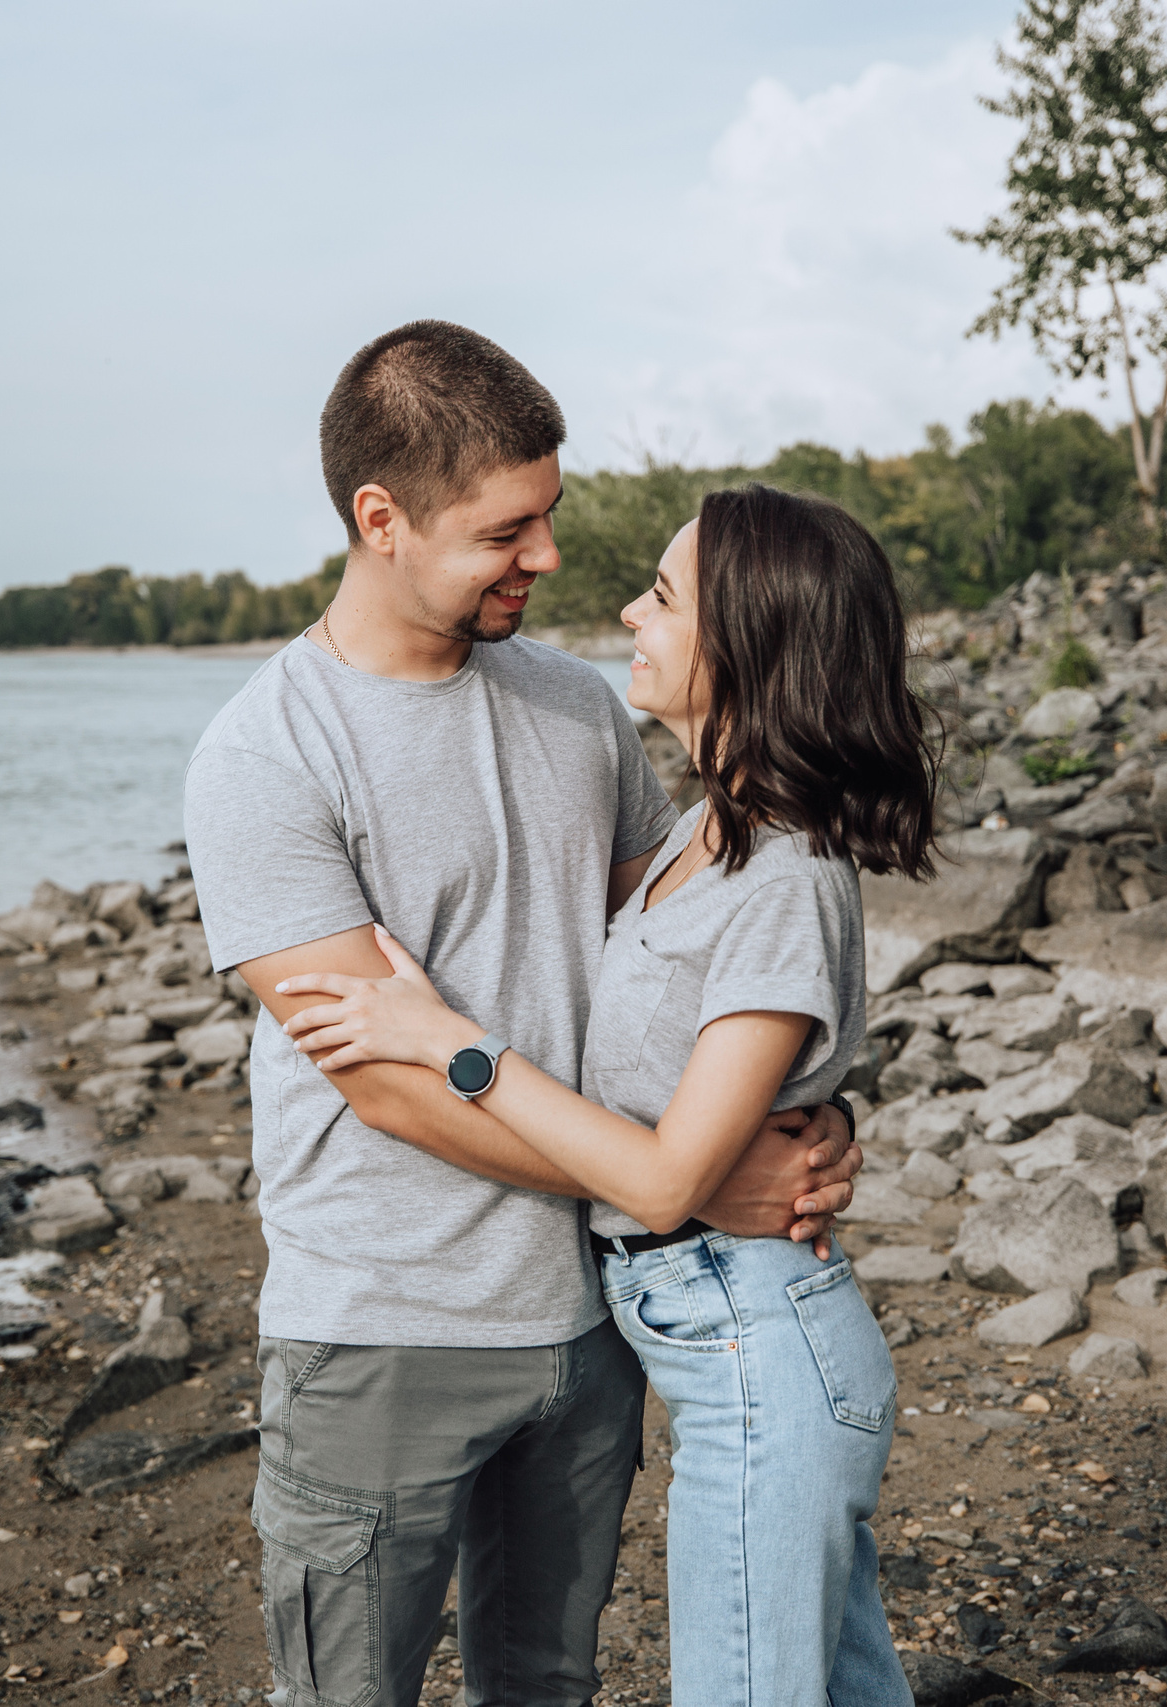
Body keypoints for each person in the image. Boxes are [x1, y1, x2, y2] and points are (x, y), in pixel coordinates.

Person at [180, 320, 865, 1707]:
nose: (546, 557)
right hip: (382, 1326)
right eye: (506, 531)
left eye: (546, 516)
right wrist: (686, 1176)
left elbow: (684, 954)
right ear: (382, 519)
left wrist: (805, 1106)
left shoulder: (573, 706)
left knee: (547, 1683)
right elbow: (390, 1084)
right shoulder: (265, 755)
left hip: (594, 1319)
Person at [274, 483, 940, 1706]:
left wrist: (449, 1041)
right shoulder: (702, 835)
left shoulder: (781, 870)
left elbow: (668, 1177)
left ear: (749, 646)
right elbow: (697, 1060)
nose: (627, 609)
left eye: (664, 596)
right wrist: (807, 1112)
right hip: (712, 1335)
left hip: (754, 1349)